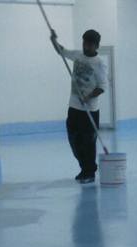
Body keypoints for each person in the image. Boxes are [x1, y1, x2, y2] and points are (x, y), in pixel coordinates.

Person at [50, 29, 108, 184]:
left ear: (96, 46)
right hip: (74, 107)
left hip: (90, 110)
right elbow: (61, 51)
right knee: (74, 141)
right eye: (84, 43)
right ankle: (84, 168)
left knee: (88, 143)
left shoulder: (99, 63)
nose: (86, 46)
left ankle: (90, 172)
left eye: (89, 44)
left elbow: (102, 87)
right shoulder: (77, 55)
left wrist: (88, 97)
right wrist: (53, 40)